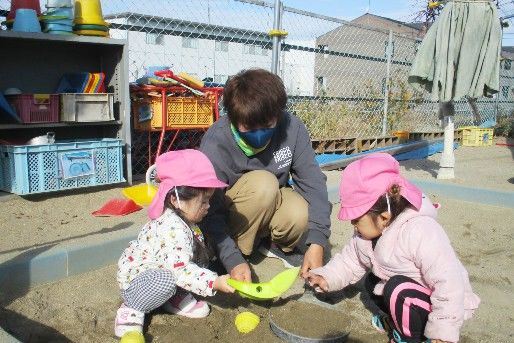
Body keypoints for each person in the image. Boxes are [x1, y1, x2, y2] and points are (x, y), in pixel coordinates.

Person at [306, 153, 480, 343]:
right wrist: (326, 276)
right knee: (372, 282)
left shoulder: (419, 231)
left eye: (356, 219)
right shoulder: (366, 235)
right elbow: (350, 261)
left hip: (438, 303)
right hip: (409, 296)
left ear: (384, 218)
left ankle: (410, 337)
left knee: (396, 290)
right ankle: (400, 322)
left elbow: (448, 282)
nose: (353, 225)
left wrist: (443, 330)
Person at [199, 68, 332, 282]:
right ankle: (237, 252)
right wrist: (231, 258)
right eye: (249, 128)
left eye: (268, 125)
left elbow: (313, 183)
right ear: (233, 118)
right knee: (265, 184)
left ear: (278, 115)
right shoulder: (217, 142)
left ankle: (268, 243)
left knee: (300, 212)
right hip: (231, 214)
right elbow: (209, 207)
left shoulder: (292, 128)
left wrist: (317, 242)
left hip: (269, 200)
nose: (260, 134)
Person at [114, 149, 235, 338]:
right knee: (168, 278)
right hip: (138, 283)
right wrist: (214, 281)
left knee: (201, 251)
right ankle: (131, 308)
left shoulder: (185, 221)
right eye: (203, 202)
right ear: (175, 200)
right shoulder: (172, 228)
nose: (208, 207)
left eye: (209, 200)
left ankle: (172, 296)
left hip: (166, 270)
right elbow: (178, 270)